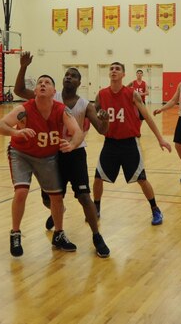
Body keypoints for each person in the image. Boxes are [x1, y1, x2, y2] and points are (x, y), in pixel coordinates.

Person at [13, 52, 111, 258]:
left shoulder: (86, 104)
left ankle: (97, 236)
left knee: (84, 196)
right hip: (52, 153)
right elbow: (19, 90)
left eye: (73, 75)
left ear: (79, 82)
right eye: (66, 74)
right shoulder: (50, 96)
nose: (69, 77)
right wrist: (23, 66)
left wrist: (106, 119)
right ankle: (58, 215)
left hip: (75, 154)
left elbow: (102, 130)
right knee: (51, 199)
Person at [0, 74, 84, 257]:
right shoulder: (24, 109)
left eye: (47, 83)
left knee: (56, 198)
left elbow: (78, 132)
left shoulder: (61, 109)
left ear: (53, 91)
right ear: (35, 91)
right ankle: (15, 233)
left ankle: (59, 234)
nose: (43, 84)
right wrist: (15, 133)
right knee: (21, 192)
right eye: (40, 83)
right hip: (22, 154)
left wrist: (72, 144)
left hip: (47, 157)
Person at [93, 62, 172, 225]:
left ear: (123, 74)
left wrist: (160, 139)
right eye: (111, 69)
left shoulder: (132, 94)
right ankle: (96, 208)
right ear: (109, 74)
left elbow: (148, 117)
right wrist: (99, 118)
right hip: (110, 143)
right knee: (98, 177)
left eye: (117, 69)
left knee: (141, 179)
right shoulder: (101, 95)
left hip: (130, 143)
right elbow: (94, 115)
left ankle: (155, 209)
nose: (114, 71)